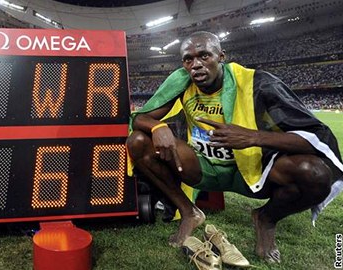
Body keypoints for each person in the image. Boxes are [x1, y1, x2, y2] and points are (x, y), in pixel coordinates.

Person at [127, 31, 343, 263]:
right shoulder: (182, 82)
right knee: (138, 142)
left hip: (254, 169)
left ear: (221, 56)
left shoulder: (258, 83)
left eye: (204, 56)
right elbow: (139, 118)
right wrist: (157, 127)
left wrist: (252, 137)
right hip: (203, 167)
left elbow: (314, 135)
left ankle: (266, 219)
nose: (196, 65)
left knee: (315, 174)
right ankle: (189, 212)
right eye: (188, 59)